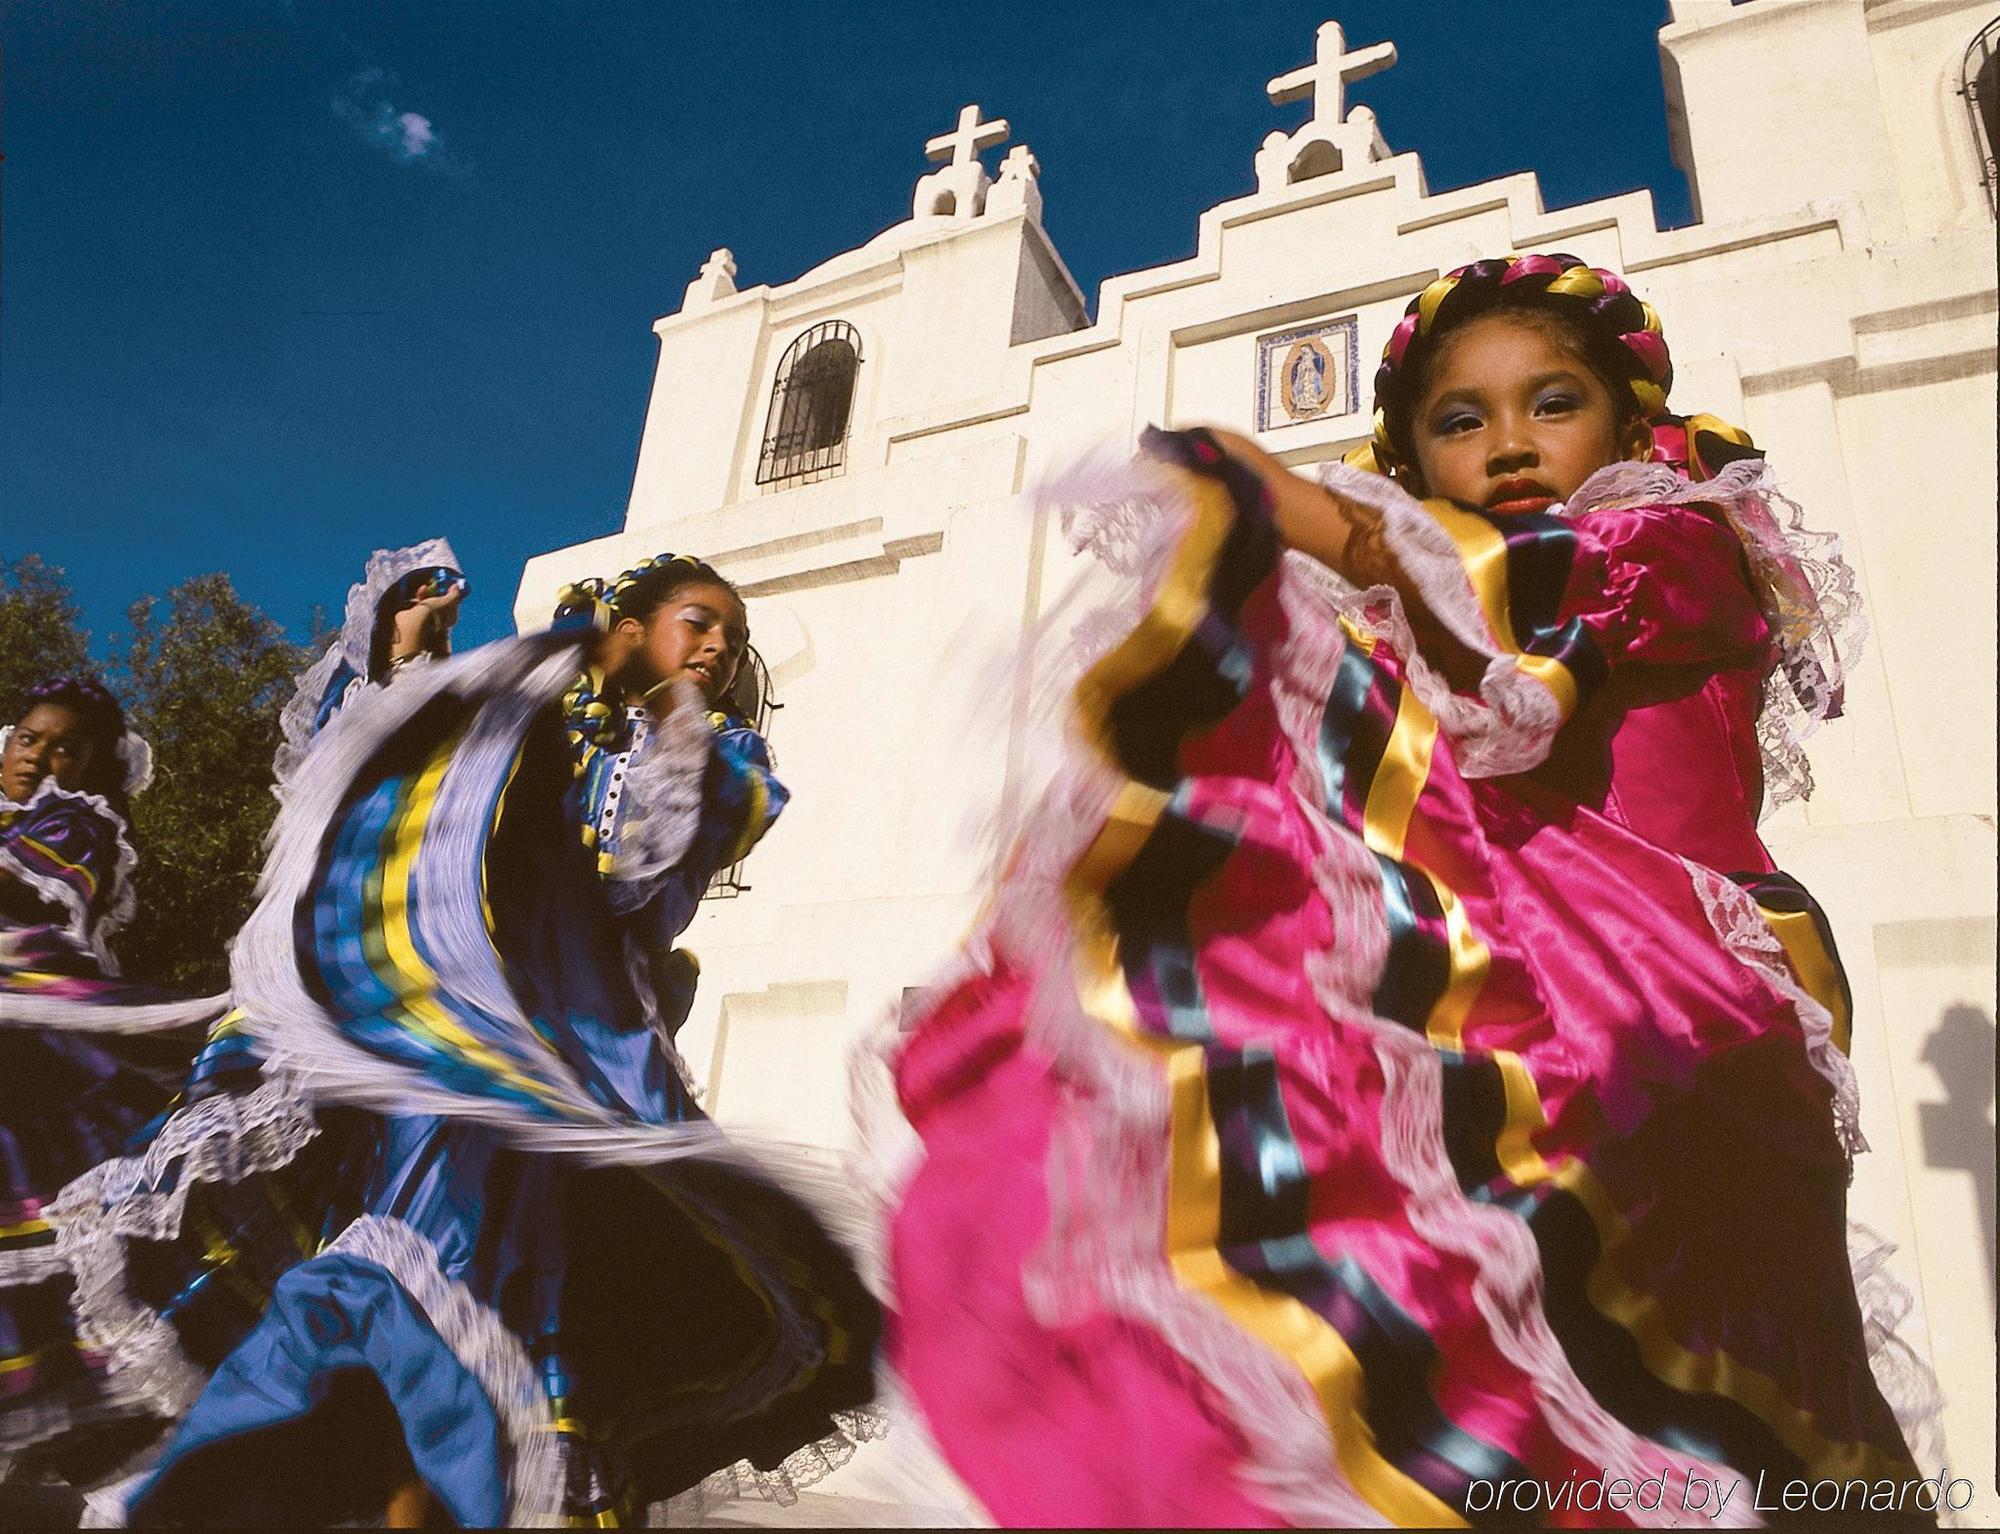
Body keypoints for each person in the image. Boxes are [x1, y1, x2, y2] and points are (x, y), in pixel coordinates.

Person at [880, 254, 1937, 1526]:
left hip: (1682, 1018)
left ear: (1626, 421)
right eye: (1459, 418)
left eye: (1550, 403)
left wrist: (1283, 501)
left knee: (1714, 1374)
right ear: (1415, 449)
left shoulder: (1673, 542)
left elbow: (1523, 599)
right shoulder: (1410, 614)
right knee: (1467, 1349)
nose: (1506, 444)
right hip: (1531, 992)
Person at [98, 553, 878, 1528]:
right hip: (455, 1054)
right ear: (626, 627)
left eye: (733, 634)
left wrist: (672, 709)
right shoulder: (519, 721)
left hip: (588, 1078)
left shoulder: (715, 756)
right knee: (417, 1279)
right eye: (697, 619)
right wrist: (401, 665)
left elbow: (646, 865)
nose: (721, 643)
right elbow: (361, 795)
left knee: (539, 1337)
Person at [44, 543, 472, 1484]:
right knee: (229, 1193)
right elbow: (339, 786)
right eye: (417, 593)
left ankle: (308, 1423)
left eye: (444, 596)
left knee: (368, 1205)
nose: (441, 605)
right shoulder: (352, 718)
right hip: (315, 975)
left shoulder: (452, 737)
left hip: (401, 993)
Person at [0, 676, 205, 1485]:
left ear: (93, 766)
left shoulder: (80, 825)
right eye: (31, 738)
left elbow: (23, 913)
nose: (42, 756)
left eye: (66, 747)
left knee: (62, 1285)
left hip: (36, 1070)